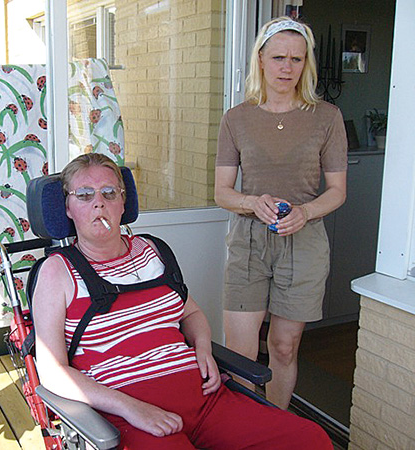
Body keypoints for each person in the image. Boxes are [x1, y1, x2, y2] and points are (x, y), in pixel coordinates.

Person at [33, 152, 333, 449]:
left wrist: (203, 347)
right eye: (84, 195)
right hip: (126, 415)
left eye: (109, 192)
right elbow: (52, 372)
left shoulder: (153, 251)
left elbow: (191, 313)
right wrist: (130, 408)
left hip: (205, 399)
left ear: (123, 203)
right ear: (68, 208)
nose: (99, 202)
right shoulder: (57, 272)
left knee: (310, 440)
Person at [214, 17, 348, 410]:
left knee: (284, 346)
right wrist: (252, 202)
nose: (287, 68)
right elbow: (222, 192)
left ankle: (276, 424)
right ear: (260, 60)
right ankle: (243, 428)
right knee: (240, 352)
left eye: (296, 59)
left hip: (303, 242)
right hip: (249, 242)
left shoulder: (326, 117)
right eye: (278, 58)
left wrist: (305, 212)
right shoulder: (236, 118)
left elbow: (338, 191)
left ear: (306, 64)